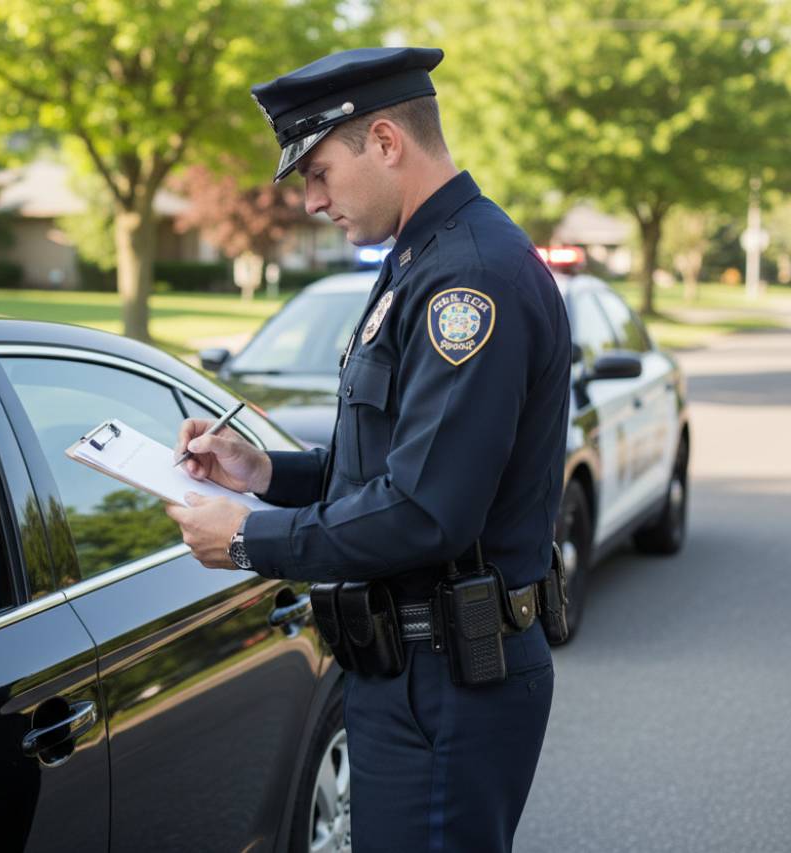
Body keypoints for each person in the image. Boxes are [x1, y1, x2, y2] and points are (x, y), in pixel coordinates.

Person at [165, 47, 571, 852]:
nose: (312, 201)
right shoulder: (421, 259)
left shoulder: (470, 280)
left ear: (386, 141)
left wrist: (248, 539)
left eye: (317, 171)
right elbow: (388, 470)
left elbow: (425, 512)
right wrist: (263, 471)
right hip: (415, 667)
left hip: (452, 678)